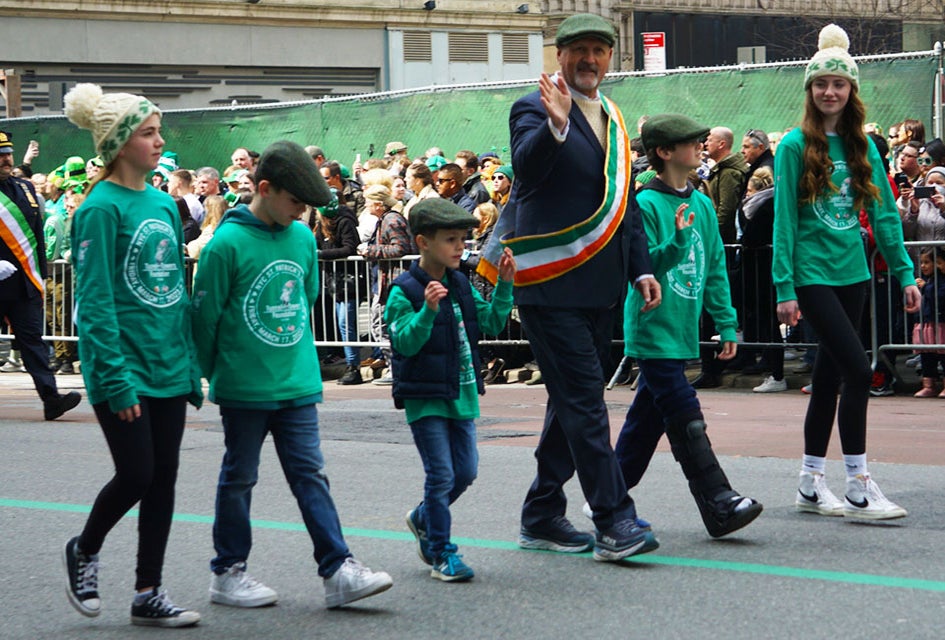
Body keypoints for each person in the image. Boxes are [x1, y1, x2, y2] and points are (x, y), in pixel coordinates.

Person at [486, 13, 661, 562]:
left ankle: (541, 515)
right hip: (551, 286)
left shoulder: (613, 117)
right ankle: (613, 519)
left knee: (569, 404)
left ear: (611, 57)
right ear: (559, 56)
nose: (590, 60)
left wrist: (642, 267)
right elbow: (527, 170)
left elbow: (623, 204)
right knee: (586, 401)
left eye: (599, 51)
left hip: (601, 286)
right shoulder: (533, 106)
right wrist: (556, 127)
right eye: (579, 50)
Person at [191, 140, 393, 610]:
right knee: (239, 477)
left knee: (310, 475)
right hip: (245, 386)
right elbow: (204, 321)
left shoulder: (301, 238)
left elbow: (303, 300)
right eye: (295, 202)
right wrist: (205, 376)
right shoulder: (225, 245)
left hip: (297, 382)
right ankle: (227, 571)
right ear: (264, 188)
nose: (302, 213)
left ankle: (338, 567)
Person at [61, 82, 202, 627]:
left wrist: (189, 364)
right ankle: (85, 548)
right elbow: (94, 304)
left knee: (163, 478)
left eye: (158, 131)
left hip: (168, 365)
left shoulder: (163, 202)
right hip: (123, 370)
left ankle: (148, 592)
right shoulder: (98, 209)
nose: (159, 141)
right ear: (119, 143)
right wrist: (115, 380)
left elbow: (175, 294)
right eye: (148, 133)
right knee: (137, 474)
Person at [772, 25, 920, 520]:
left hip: (853, 273)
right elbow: (784, 222)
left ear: (851, 91)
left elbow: (883, 216)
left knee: (831, 372)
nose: (829, 91)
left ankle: (811, 482)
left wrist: (905, 274)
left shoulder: (863, 147)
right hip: (812, 274)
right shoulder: (794, 145)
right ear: (810, 92)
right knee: (860, 369)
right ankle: (858, 484)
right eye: (821, 84)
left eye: (838, 83)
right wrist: (784, 286)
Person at [612, 113, 763, 538]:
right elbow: (643, 264)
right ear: (664, 152)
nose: (701, 146)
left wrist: (727, 324)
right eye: (692, 142)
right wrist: (677, 241)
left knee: (645, 423)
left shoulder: (699, 201)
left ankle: (608, 499)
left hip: (682, 329)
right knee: (684, 412)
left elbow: (715, 266)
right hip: (652, 326)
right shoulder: (644, 203)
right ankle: (720, 501)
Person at [386, 198, 516, 581]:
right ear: (423, 242)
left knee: (466, 471)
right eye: (451, 239)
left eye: (463, 239)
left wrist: (505, 285)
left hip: (462, 392)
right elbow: (404, 344)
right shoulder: (404, 290)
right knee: (441, 475)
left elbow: (491, 323)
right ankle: (442, 552)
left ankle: (424, 516)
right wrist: (426, 312)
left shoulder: (459, 282)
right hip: (425, 398)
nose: (461, 247)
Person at [0, 130, 81, 419]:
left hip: (23, 283)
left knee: (33, 341)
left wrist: (40, 274)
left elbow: (36, 235)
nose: (6, 160)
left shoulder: (24, 188)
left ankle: (51, 399)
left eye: (8, 154)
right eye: (0, 156)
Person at [912, 247, 945, 398]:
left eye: (928, 262)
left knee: (943, 355)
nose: (923, 266)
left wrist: (926, 288)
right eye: (922, 262)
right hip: (926, 322)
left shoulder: (940, 279)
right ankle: (928, 385)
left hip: (940, 322)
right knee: (927, 355)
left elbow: (941, 295)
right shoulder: (926, 279)